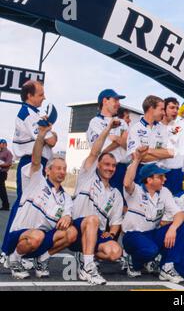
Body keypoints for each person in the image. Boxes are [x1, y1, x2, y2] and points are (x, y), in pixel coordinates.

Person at [4, 125, 77, 279]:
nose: (62, 172)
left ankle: (42, 258)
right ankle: (14, 258)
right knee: (37, 236)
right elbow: (36, 159)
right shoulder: (37, 180)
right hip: (20, 236)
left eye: (64, 169)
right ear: (47, 170)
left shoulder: (66, 198)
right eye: (58, 168)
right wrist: (41, 135)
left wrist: (67, 217)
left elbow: (68, 213)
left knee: (72, 233)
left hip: (41, 239)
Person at [122, 147, 184, 283]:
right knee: (150, 249)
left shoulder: (164, 192)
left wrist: (172, 228)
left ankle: (167, 267)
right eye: (160, 176)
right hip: (133, 236)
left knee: (180, 226)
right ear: (149, 180)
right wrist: (136, 160)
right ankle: (133, 261)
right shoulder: (136, 191)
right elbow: (127, 182)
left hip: (152, 234)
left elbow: (179, 214)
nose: (164, 179)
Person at [2, 80, 58, 260]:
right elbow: (51, 140)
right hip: (31, 162)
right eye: (41, 94)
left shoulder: (35, 113)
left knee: (34, 208)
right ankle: (6, 250)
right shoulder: (27, 113)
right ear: (29, 96)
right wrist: (52, 133)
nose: (44, 97)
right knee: (22, 206)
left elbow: (51, 137)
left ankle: (23, 248)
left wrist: (52, 133)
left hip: (40, 162)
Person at [71, 118, 124, 285]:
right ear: (98, 165)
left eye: (113, 166)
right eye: (106, 164)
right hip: (77, 228)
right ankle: (89, 267)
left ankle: (85, 256)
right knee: (93, 219)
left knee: (115, 252)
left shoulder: (116, 194)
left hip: (96, 233)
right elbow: (95, 152)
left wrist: (113, 233)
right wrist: (108, 128)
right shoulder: (87, 175)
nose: (110, 168)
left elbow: (116, 222)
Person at [87, 89, 128, 198]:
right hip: (104, 170)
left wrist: (115, 139)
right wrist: (120, 140)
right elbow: (101, 149)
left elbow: (130, 145)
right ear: (105, 101)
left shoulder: (122, 122)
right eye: (115, 100)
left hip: (122, 169)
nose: (118, 104)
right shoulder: (95, 122)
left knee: (121, 207)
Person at [126, 95, 174, 183]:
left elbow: (171, 153)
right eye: (162, 109)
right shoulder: (135, 129)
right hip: (140, 175)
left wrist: (148, 151)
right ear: (151, 109)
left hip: (160, 175)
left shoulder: (163, 129)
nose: (164, 113)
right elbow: (136, 157)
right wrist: (160, 154)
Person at [0, 139, 13, 211]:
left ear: (4, 144)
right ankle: (5, 205)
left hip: (2, 173)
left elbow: (9, 163)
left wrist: (1, 165)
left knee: (2, 190)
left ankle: (6, 205)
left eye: (0, 143)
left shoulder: (8, 153)